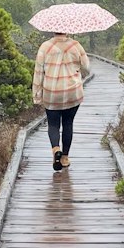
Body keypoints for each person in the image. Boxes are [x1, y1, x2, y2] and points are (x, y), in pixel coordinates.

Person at [32, 31, 90, 171]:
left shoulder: (45, 47)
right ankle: (64, 157)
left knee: (53, 124)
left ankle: (55, 149)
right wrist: (78, 72)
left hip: (52, 92)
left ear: (53, 30)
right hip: (72, 92)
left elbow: (38, 72)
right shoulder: (76, 45)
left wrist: (37, 95)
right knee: (68, 123)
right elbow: (87, 68)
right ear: (67, 30)